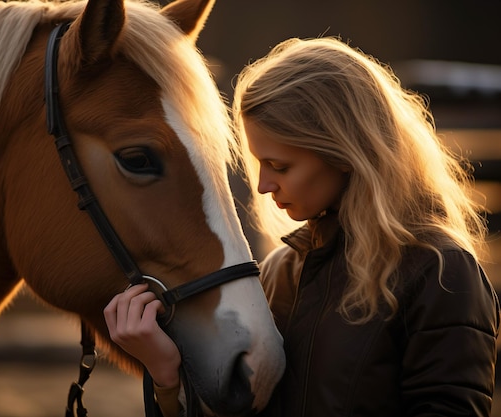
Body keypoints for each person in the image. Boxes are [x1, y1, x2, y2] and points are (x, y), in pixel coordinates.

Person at [103, 36, 500, 416]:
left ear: (344, 152)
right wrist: (166, 374)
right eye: (259, 164)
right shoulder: (281, 273)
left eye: (280, 166)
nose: (262, 185)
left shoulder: (441, 272)